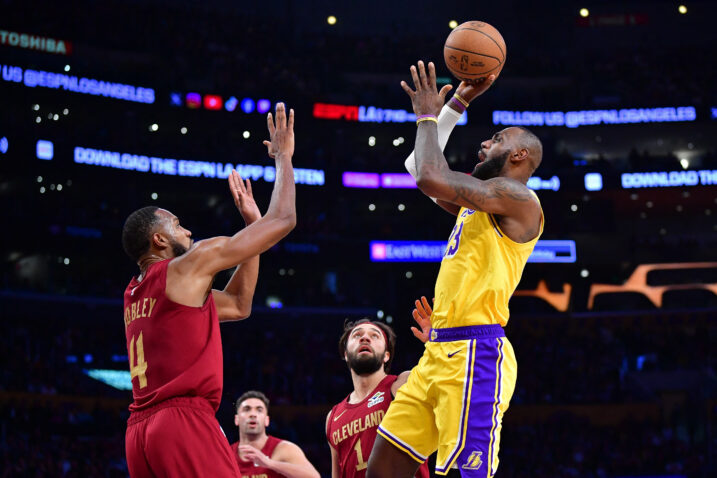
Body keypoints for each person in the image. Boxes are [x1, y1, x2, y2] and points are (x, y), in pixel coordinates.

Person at [366, 62, 544, 478]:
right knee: (382, 471)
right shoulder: (482, 200)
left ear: (519, 155)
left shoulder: (518, 198)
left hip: (475, 355)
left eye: (497, 138)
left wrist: (428, 115)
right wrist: (459, 101)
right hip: (437, 353)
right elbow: (418, 169)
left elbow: (430, 177)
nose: (484, 142)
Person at [122, 103, 297, 477]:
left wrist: (251, 227)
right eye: (177, 224)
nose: (186, 231)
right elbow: (284, 219)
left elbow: (237, 304)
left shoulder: (136, 293)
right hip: (182, 420)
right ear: (158, 239)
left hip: (139, 433)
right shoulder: (186, 265)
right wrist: (284, 158)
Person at [326, 319, 430, 478]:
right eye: (357, 335)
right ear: (346, 354)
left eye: (374, 336)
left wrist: (436, 344)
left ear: (386, 355)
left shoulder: (401, 384)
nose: (365, 338)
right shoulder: (332, 417)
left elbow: (443, 382)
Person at [231, 391, 320, 478]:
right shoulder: (227, 453)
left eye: (259, 410)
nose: (253, 414)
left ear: (267, 420)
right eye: (247, 409)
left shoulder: (284, 448)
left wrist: (269, 463)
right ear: (236, 419)